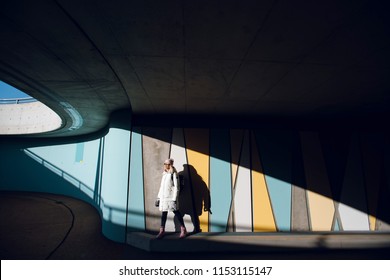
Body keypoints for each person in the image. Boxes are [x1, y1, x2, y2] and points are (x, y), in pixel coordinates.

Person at [155, 158, 187, 239]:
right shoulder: (164, 174)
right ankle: (162, 231)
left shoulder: (174, 174)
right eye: (165, 164)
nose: (166, 165)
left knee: (177, 213)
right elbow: (161, 187)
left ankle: (183, 229)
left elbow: (177, 187)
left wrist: (174, 198)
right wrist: (158, 198)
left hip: (170, 198)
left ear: (171, 165)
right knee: (164, 214)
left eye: (168, 164)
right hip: (163, 198)